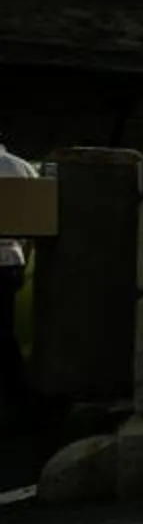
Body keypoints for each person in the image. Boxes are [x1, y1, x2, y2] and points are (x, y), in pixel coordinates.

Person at [0, 135, 32, 418]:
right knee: (4, 331)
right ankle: (17, 397)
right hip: (10, 259)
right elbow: (38, 220)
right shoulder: (21, 167)